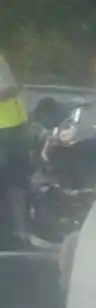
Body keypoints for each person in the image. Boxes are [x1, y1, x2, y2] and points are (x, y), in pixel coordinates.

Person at [0, 53, 33, 248]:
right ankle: (18, 230)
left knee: (15, 183)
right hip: (10, 130)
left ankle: (20, 231)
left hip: (10, 131)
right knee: (14, 183)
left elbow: (9, 89)